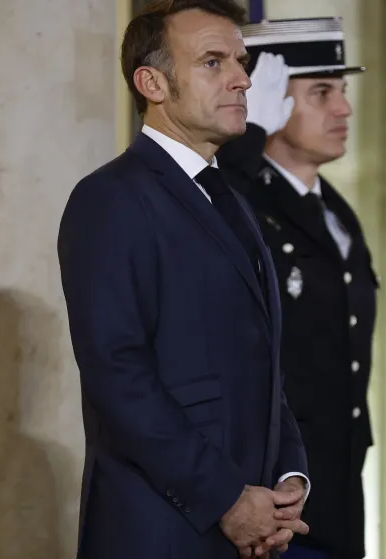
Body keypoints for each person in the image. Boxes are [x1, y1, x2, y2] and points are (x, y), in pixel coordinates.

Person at [57, 2, 311, 557]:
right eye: (214, 62)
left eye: (240, 62)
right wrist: (226, 498)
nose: (242, 78)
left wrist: (289, 478)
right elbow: (117, 372)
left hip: (253, 520)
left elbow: (261, 363)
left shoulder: (232, 202)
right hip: (160, 526)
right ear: (152, 82)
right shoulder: (110, 198)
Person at [216, 17, 379, 559]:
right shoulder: (241, 205)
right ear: (269, 102)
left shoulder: (335, 211)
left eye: (343, 92)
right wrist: (244, 143)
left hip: (338, 489)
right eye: (320, 92)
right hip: (270, 498)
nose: (344, 109)